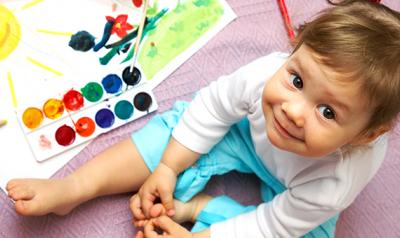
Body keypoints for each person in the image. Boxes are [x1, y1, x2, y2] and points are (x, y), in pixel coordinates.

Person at [6, 0, 400, 237]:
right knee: (179, 127)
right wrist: (167, 167)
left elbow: (272, 227)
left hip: (300, 192)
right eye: (297, 80)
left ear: (366, 135)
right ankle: (76, 187)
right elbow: (210, 110)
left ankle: (198, 207)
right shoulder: (265, 75)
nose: (293, 111)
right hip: (247, 136)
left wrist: (200, 232)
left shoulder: (334, 182)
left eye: (327, 111)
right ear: (292, 52)